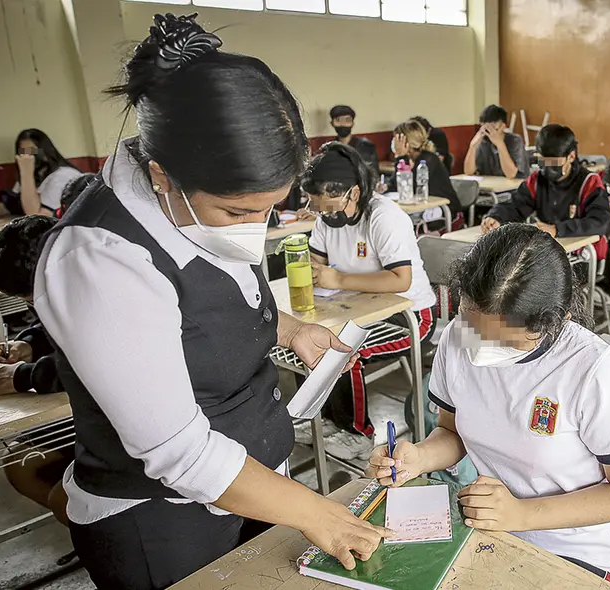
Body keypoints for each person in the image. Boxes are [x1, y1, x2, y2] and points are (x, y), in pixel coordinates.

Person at [33, 15, 386, 589]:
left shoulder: (200, 210)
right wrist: (317, 512)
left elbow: (212, 306)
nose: (257, 228)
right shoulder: (99, 260)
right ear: (162, 177)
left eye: (269, 208)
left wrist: (289, 328)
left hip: (251, 489)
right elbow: (179, 451)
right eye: (239, 213)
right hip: (162, 525)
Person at [366, 224, 610, 587]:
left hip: (572, 555)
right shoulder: (457, 337)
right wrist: (418, 458)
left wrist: (521, 514)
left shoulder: (594, 371)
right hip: (487, 532)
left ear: (555, 322)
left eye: (506, 342)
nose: (481, 349)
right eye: (473, 324)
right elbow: (452, 433)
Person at [301, 142, 437, 460]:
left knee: (346, 351)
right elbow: (316, 263)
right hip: (358, 310)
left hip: (409, 315)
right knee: (308, 337)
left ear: (355, 192)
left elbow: (399, 280)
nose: (325, 216)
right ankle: (323, 420)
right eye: (318, 209)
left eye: (331, 208)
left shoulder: (383, 217)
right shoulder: (324, 222)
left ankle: (358, 433)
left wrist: (339, 280)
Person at [0, 215, 70, 527]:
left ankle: (101, 532)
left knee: (63, 497)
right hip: (92, 418)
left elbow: (93, 363)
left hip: (124, 423)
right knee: (19, 464)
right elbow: (47, 324)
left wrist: (22, 376)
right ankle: (90, 534)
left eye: (33, 298)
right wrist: (27, 344)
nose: (35, 307)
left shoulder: (106, 291)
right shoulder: (52, 283)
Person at [481, 124, 610, 262]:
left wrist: (557, 229)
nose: (548, 167)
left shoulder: (589, 182)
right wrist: (496, 217)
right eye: (543, 161)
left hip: (582, 257)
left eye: (553, 162)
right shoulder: (537, 180)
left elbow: (599, 222)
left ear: (571, 156)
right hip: (548, 254)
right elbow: (516, 205)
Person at [0, 129, 83, 221]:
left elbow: (36, 216)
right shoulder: (34, 175)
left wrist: (26, 172)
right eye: (23, 152)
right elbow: (13, 203)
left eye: (32, 151)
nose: (27, 156)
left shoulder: (63, 176)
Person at [387, 119, 464, 230]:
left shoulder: (428, 160)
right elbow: (395, 186)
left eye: (396, 139)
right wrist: (385, 187)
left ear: (406, 142)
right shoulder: (409, 161)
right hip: (422, 210)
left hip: (445, 214)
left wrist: (400, 157)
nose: (394, 143)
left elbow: (409, 187)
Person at [464, 104, 528, 179]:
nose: (489, 130)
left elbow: (511, 174)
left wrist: (500, 144)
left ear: (503, 126)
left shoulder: (515, 140)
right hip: (490, 187)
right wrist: (473, 146)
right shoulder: (483, 141)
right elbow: (468, 172)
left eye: (493, 126)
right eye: (485, 126)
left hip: (515, 187)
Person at [326, 105, 380, 174]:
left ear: (352, 123)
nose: (343, 124)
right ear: (332, 123)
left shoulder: (366, 146)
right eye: (338, 120)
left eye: (347, 120)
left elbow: (373, 174)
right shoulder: (329, 148)